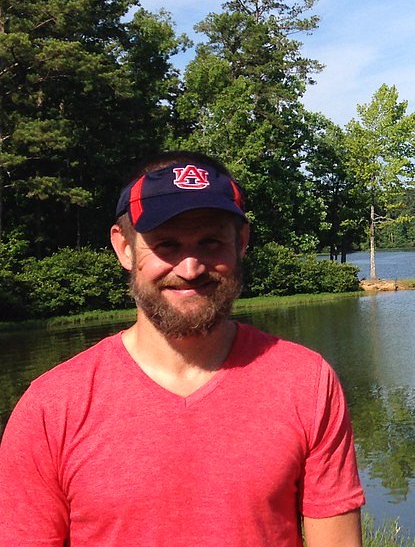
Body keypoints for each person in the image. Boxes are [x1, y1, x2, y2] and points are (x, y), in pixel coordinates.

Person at [0, 151, 365, 547]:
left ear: (241, 242)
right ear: (124, 248)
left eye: (210, 241)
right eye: (167, 244)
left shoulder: (306, 382)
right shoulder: (53, 407)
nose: (190, 268)